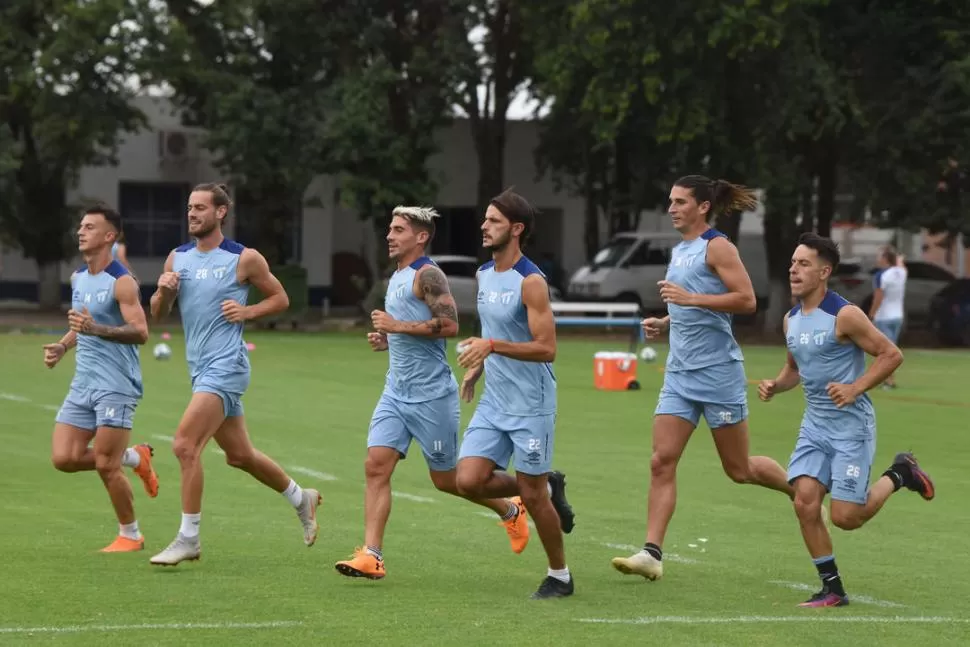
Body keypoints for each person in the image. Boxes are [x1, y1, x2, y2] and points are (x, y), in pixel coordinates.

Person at [611, 175, 794, 582]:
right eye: (670, 201)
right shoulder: (680, 250)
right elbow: (689, 307)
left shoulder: (718, 246)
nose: (672, 208)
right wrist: (666, 321)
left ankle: (803, 491)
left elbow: (746, 300)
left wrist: (691, 299)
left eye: (680, 202)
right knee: (661, 461)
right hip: (679, 374)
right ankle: (651, 553)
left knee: (739, 469)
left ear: (703, 206)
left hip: (717, 374)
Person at [335, 206, 530, 580]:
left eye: (398, 230)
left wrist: (396, 325)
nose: (389, 235)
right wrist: (389, 339)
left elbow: (450, 324)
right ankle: (372, 555)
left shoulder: (429, 274)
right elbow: (411, 333)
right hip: (395, 392)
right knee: (375, 465)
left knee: (448, 480)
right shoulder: (397, 275)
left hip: (431, 396)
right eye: (389, 228)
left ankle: (516, 503)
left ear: (421, 237)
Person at [147, 182, 321, 566]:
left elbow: (280, 298)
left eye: (200, 208)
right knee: (239, 456)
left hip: (227, 366)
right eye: (189, 208)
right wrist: (163, 292)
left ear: (221, 212)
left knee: (184, 445)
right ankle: (300, 498)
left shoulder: (244, 258)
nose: (192, 214)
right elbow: (157, 315)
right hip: (199, 368)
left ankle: (188, 538)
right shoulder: (177, 259)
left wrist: (248, 313)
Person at [759, 232, 934, 607]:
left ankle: (901, 473)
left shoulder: (845, 315)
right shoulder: (791, 321)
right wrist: (776, 385)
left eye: (803, 264)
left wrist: (855, 388)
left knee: (845, 517)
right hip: (814, 425)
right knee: (804, 502)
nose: (794, 269)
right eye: (792, 262)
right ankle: (832, 589)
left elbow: (891, 355)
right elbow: (794, 370)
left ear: (824, 272)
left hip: (851, 426)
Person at [455, 188, 576, 600]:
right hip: (495, 400)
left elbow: (547, 349)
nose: (484, 226)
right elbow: (496, 334)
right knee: (467, 480)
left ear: (516, 229)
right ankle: (542, 485)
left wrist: (490, 348)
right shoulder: (484, 274)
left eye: (494, 221)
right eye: (485, 219)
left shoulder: (532, 282)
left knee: (531, 492)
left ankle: (560, 575)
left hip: (532, 405)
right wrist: (479, 365)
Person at [44, 205, 159, 552]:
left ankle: (131, 535)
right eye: (81, 226)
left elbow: (140, 332)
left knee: (106, 465)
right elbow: (81, 322)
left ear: (110, 236)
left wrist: (99, 329)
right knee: (63, 458)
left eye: (90, 227)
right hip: (83, 383)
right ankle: (136, 457)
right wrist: (65, 346)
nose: (81, 231)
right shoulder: (79, 277)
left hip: (116, 385)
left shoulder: (121, 281)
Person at [868, 246, 907, 389]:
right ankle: (889, 379)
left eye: (879, 257)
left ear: (885, 259)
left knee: (886, 351)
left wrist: (871, 314)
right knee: (891, 349)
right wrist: (899, 258)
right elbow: (901, 264)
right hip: (898, 316)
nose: (877, 259)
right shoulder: (901, 272)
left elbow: (878, 297)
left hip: (884, 317)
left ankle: (889, 381)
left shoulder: (881, 275)